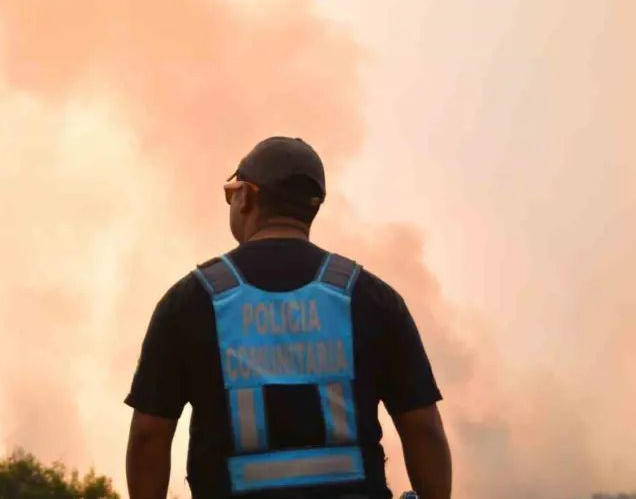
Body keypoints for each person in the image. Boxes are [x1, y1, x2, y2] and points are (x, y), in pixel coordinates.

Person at [123, 137, 452, 499]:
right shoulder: (372, 298)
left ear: (246, 196)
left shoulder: (191, 301)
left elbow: (148, 435)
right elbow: (423, 429)